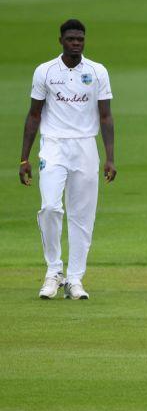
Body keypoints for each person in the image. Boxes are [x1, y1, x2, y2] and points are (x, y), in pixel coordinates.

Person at [20, 19, 116, 300]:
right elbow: (34, 114)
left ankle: (75, 279)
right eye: (71, 38)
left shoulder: (97, 71)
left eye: (81, 39)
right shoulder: (45, 71)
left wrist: (110, 157)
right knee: (50, 207)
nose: (76, 43)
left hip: (86, 146)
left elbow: (106, 116)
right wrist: (24, 158)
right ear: (61, 40)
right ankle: (53, 272)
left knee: (82, 216)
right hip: (53, 145)